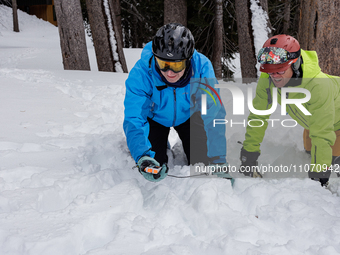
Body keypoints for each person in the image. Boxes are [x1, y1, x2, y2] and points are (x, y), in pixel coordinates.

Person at [123, 23, 228, 182]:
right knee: (155, 166)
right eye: (163, 64)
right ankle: (160, 144)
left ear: (188, 60)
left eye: (177, 65)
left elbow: (214, 113)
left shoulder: (202, 67)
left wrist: (218, 158)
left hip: (190, 116)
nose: (169, 73)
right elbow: (134, 117)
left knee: (201, 164)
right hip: (155, 119)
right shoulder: (142, 72)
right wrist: (143, 155)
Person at [239, 34, 340, 186]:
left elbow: (322, 133)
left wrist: (319, 176)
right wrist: (249, 154)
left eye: (280, 71)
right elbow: (258, 116)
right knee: (310, 151)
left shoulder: (318, 85)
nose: (275, 77)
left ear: (295, 64)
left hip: (336, 123)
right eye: (271, 72)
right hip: (313, 123)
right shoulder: (268, 79)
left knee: (330, 161)